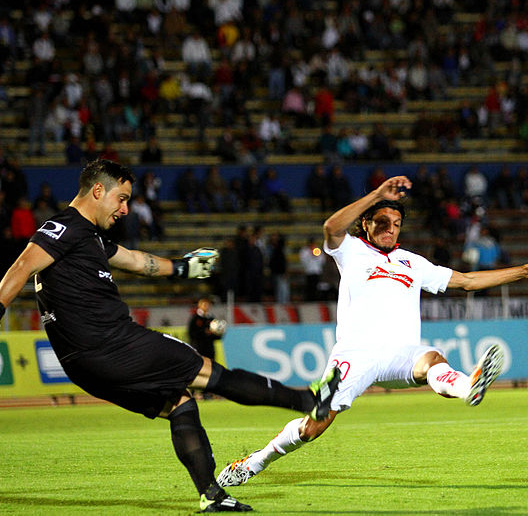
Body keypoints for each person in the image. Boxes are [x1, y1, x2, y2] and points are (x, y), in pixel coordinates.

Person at [0, 159, 340, 513]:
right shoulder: (63, 227)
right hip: (112, 343)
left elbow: (135, 260)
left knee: (179, 403)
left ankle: (212, 495)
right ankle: (309, 401)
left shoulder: (91, 238)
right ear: (97, 191)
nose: (125, 209)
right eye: (121, 198)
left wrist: (183, 267)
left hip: (82, 363)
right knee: (209, 373)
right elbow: (22, 266)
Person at [216, 175, 528, 487]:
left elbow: (467, 281)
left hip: (400, 353)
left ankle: (467, 387)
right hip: (354, 355)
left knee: (432, 359)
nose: (390, 228)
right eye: (382, 222)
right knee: (314, 426)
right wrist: (378, 194)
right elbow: (331, 227)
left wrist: (524, 270)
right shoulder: (350, 250)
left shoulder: (412, 262)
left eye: (396, 223)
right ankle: (255, 462)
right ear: (365, 223)